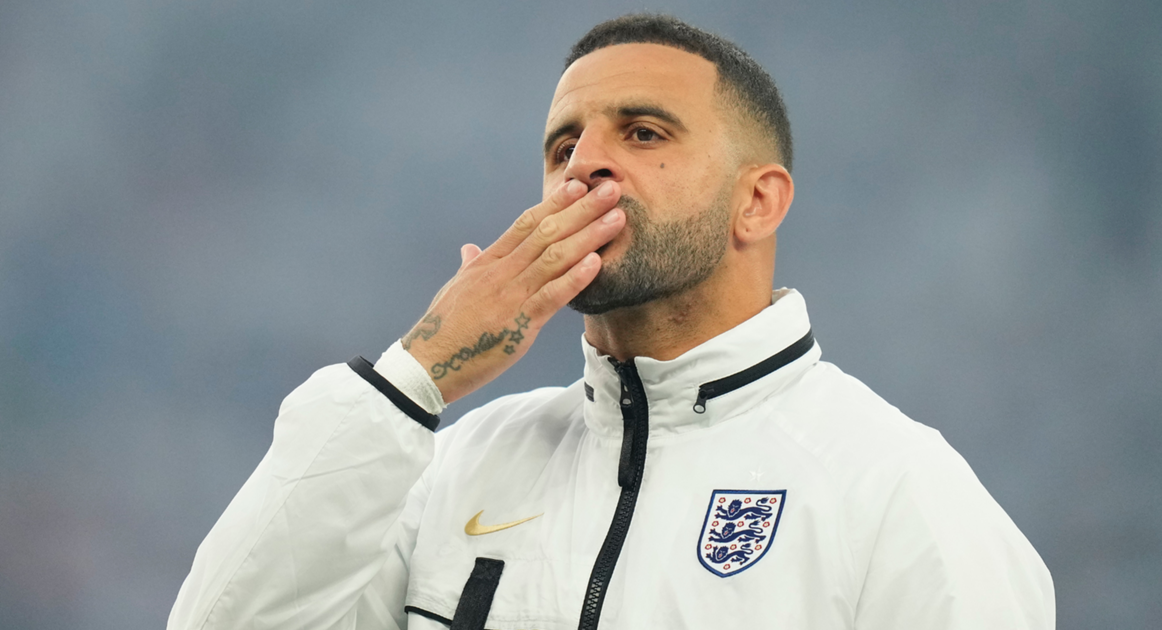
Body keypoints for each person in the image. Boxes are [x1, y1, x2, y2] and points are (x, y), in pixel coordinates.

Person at [168, 14, 1054, 630]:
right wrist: (416, 375)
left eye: (643, 133)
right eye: (563, 146)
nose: (585, 165)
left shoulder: (896, 492)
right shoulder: (457, 466)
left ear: (757, 202)